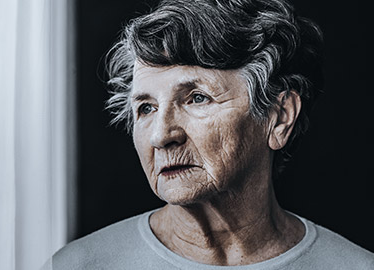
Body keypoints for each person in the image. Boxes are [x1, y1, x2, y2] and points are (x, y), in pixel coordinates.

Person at [52, 0, 374, 268]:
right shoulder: (78, 266)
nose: (161, 136)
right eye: (146, 108)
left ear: (279, 118)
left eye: (197, 98)